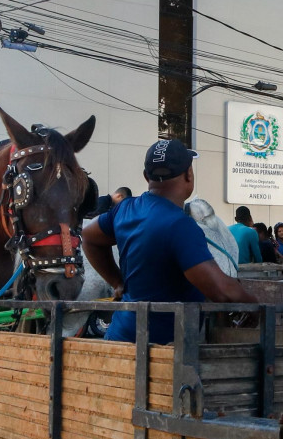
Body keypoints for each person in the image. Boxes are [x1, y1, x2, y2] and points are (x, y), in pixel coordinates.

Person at [81, 138, 257, 344]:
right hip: (161, 353)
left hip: (120, 337)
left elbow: (89, 237)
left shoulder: (124, 209)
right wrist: (254, 304)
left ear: (146, 176)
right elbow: (218, 289)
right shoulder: (181, 225)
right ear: (189, 175)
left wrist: (117, 282)